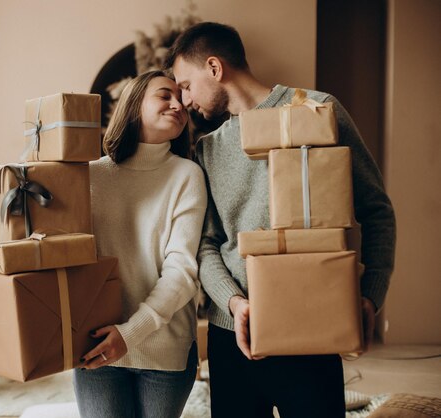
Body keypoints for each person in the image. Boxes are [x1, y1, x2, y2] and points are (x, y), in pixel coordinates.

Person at [164, 22, 396, 418]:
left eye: (186, 85)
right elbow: (204, 244)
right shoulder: (208, 150)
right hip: (234, 335)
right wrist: (234, 304)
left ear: (215, 68)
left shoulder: (317, 112)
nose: (183, 101)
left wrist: (371, 293)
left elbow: (377, 210)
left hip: (312, 321)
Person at [74, 70, 208, 418]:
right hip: (96, 343)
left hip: (164, 351)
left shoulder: (187, 175)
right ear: (134, 105)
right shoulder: (89, 176)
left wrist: (130, 334)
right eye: (165, 95)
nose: (178, 104)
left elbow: (182, 271)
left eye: (181, 97)